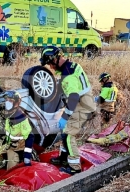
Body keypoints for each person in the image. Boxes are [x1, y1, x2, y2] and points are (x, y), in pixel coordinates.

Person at [40, 46, 96, 175]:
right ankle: (63, 158)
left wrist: (65, 116)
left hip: (82, 107)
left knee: (68, 135)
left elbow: (74, 96)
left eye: (49, 63)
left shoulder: (68, 75)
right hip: (82, 103)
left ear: (54, 59)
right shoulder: (71, 66)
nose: (50, 67)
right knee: (64, 131)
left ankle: (74, 167)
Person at [0, 90, 34, 168]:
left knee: (11, 170)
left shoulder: (21, 118)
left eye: (10, 101)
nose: (7, 102)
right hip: (8, 143)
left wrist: (27, 157)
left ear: (17, 103)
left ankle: (20, 159)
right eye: (6, 100)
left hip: (17, 147)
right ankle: (1, 161)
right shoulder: (9, 114)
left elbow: (30, 136)